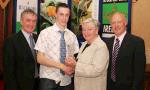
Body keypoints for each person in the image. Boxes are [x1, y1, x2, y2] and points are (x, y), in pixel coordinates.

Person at [34, 3, 79, 90]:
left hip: (66, 80)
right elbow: (40, 58)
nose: (64, 18)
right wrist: (62, 66)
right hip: (48, 80)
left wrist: (72, 68)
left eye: (67, 15)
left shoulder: (72, 36)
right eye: (61, 14)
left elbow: (73, 58)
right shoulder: (45, 33)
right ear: (55, 14)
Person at [105, 12, 146, 90]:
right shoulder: (107, 42)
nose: (116, 25)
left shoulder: (137, 42)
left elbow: (139, 73)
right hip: (109, 86)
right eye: (113, 23)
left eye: (119, 22)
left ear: (125, 23)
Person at [3, 9, 39, 90]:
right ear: (21, 22)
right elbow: (8, 71)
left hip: (37, 84)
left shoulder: (38, 38)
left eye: (34, 21)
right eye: (28, 20)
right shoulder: (11, 41)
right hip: (21, 86)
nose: (31, 24)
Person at [73, 18, 109, 90]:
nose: (86, 32)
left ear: (96, 31)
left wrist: (75, 66)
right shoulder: (85, 43)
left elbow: (96, 70)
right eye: (84, 29)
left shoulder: (101, 47)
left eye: (89, 29)